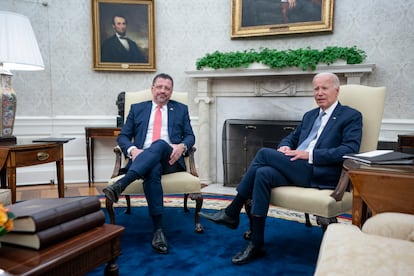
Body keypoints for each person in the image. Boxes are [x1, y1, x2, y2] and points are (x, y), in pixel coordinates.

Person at [199, 72, 363, 265]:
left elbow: (349, 150)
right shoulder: (310, 116)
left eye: (324, 88)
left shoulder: (351, 116)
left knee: (263, 154)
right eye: (316, 89)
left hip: (320, 173)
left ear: (337, 90)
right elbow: (292, 137)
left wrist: (309, 155)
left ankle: (232, 210)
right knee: (263, 173)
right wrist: (283, 147)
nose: (319, 93)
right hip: (297, 166)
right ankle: (256, 243)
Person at [103, 73, 195, 254]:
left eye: (167, 88)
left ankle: (121, 184)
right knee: (152, 169)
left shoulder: (181, 109)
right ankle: (158, 230)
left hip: (170, 159)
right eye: (159, 87)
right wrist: (132, 150)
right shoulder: (137, 108)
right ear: (152, 89)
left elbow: (190, 135)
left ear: (171, 91)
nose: (163, 91)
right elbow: (123, 136)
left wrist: (182, 146)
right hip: (142, 159)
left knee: (160, 143)